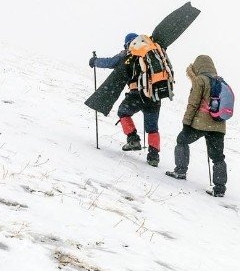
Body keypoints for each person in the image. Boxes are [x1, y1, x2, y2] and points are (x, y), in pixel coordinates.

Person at [90, 32, 165, 166]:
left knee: (123, 112)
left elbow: (110, 62)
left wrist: (95, 61)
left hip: (137, 94)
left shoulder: (127, 54)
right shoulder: (151, 52)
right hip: (155, 95)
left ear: (128, 43)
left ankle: (133, 139)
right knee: (152, 127)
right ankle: (154, 156)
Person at [164, 55, 228, 197]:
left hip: (200, 123)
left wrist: (186, 124)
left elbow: (193, 104)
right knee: (218, 157)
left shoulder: (200, 80)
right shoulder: (221, 81)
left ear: (198, 66)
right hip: (219, 125)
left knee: (181, 140)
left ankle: (180, 171)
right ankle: (219, 188)